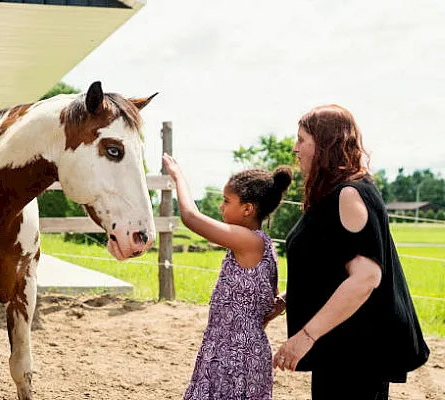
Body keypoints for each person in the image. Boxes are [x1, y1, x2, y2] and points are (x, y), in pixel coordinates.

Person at [271, 104, 430, 400]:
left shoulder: (349, 194)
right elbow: (330, 267)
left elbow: (366, 277)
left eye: (302, 140)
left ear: (326, 144)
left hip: (358, 350)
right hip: (340, 345)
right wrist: (285, 302)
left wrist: (305, 337)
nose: (295, 148)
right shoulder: (333, 194)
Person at [163, 153, 292, 400]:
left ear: (247, 209)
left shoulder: (249, 241)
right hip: (228, 348)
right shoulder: (257, 243)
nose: (221, 206)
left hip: (236, 356)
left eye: (226, 200)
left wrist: (178, 176)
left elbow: (191, 218)